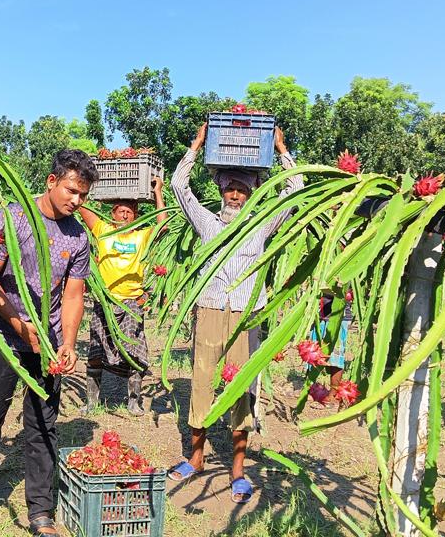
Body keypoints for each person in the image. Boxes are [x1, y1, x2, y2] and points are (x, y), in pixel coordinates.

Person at [166, 123, 303, 504]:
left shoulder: (262, 226)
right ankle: (195, 457)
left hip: (247, 313)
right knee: (202, 380)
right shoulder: (207, 223)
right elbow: (179, 187)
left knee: (241, 387)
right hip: (210, 308)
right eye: (230, 188)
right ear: (222, 190)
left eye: (242, 189)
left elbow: (295, 193)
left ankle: (238, 470)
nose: (236, 194)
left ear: (252, 193)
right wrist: (195, 145)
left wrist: (280, 148)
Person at [0, 149, 98, 536]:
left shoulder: (78, 237)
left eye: (84, 196)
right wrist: (18, 325)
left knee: (42, 425)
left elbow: (74, 296)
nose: (77, 201)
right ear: (51, 182)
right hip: (4, 336)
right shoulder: (12, 218)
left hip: (49, 344)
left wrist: (68, 343)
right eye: (73, 191)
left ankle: (41, 510)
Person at [77, 176, 167, 416]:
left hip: (131, 303)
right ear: (112, 213)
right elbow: (82, 206)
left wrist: (157, 192)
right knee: (96, 350)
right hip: (105, 301)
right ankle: (91, 403)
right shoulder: (103, 230)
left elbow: (163, 226)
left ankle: (134, 401)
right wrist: (89, 183)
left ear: (136, 216)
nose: (125, 216)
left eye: (129, 212)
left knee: (134, 352)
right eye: (120, 211)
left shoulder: (141, 235)